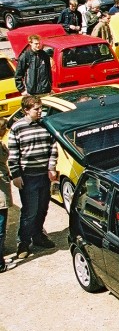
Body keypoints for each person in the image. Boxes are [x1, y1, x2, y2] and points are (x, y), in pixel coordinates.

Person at [7, 95, 58, 259]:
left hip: (44, 175)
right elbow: (13, 154)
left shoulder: (45, 124)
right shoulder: (17, 128)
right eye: (36, 109)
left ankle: (38, 236)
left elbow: (53, 146)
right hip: (28, 177)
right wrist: (16, 175)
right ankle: (23, 242)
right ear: (26, 110)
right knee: (30, 210)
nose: (40, 111)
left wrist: (51, 167)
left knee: (43, 208)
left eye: (40, 108)